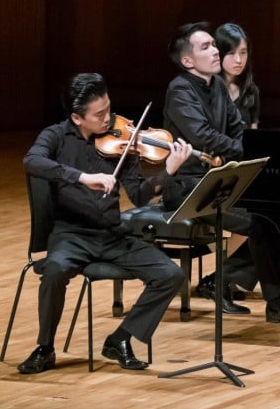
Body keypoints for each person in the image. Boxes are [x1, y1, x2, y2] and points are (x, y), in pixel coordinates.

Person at [18, 73, 190, 374]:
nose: (109, 119)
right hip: (71, 234)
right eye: (99, 114)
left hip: (113, 236)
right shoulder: (56, 136)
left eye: (109, 109)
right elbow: (32, 161)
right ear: (76, 117)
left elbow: (139, 195)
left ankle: (120, 338)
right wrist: (82, 177)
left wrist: (168, 171)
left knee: (171, 275)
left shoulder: (120, 141)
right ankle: (45, 347)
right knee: (55, 270)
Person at [161, 22, 280, 322]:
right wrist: (246, 150)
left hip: (216, 181)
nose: (215, 50)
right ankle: (277, 302)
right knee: (261, 222)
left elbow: (235, 129)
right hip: (187, 187)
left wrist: (263, 150)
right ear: (188, 61)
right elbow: (204, 136)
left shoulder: (216, 85)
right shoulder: (179, 90)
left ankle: (229, 283)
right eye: (206, 47)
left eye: (213, 45)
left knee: (275, 214)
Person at [194, 23, 263, 303]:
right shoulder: (208, 91)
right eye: (231, 53)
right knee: (254, 211)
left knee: (270, 208)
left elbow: (253, 136)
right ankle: (227, 278)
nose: (238, 60)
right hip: (213, 170)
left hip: (241, 167)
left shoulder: (251, 91)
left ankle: (226, 278)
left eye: (243, 53)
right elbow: (203, 138)